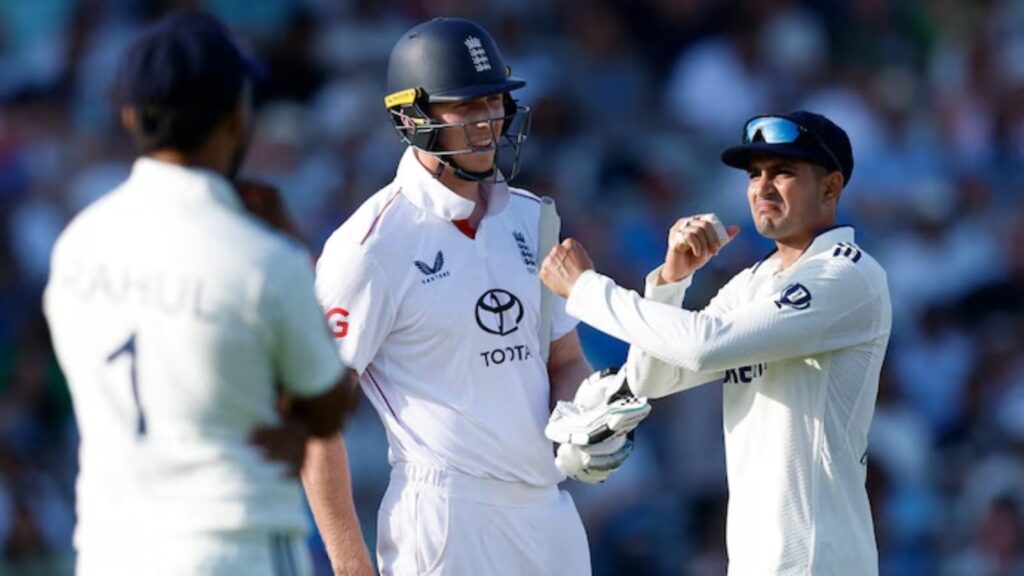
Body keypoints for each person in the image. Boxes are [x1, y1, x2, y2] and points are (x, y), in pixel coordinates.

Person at [42, 12, 371, 576]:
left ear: (128, 114)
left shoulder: (76, 245)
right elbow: (331, 403)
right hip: (232, 544)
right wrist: (291, 242)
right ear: (235, 118)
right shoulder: (262, 257)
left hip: (110, 548)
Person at [309, 16, 633, 575]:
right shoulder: (369, 246)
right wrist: (350, 565)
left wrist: (585, 417)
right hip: (445, 517)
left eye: (494, 102)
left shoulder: (534, 218)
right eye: (465, 107)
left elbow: (565, 360)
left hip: (549, 512)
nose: (488, 122)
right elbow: (316, 419)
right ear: (412, 117)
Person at [540, 111, 892, 575]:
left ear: (830, 187)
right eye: (754, 174)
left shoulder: (847, 273)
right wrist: (670, 280)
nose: (762, 188)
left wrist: (585, 288)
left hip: (817, 560)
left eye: (783, 172)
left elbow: (704, 346)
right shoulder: (753, 282)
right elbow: (654, 376)